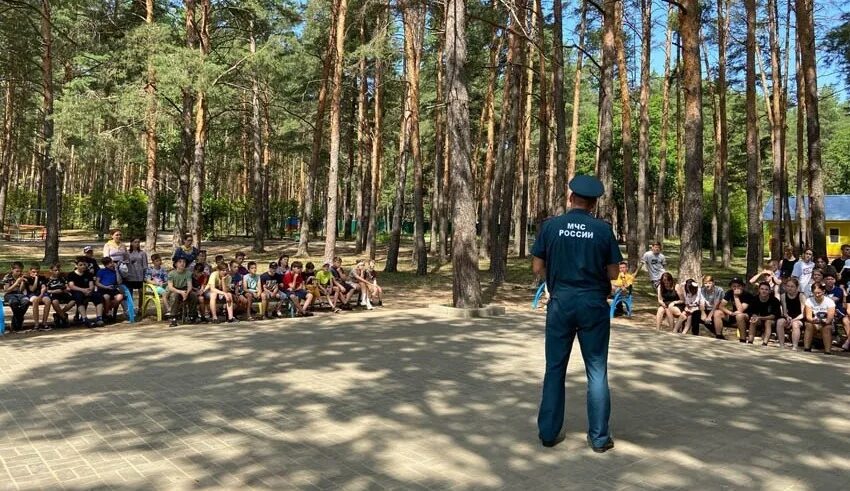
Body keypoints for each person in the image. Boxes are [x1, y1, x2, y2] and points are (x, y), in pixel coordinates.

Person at [531, 175, 620, 453]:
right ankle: (599, 438)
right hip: (593, 304)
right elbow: (615, 273)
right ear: (593, 204)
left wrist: (555, 282)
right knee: (596, 370)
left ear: (570, 199)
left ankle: (548, 433)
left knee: (555, 369)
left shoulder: (551, 226)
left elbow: (537, 267)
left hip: (561, 303)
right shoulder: (603, 230)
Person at [803, 282, 835, 354]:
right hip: (814, 322)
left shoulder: (830, 302)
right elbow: (808, 317)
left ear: (823, 291)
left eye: (819, 293)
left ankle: (827, 351)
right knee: (809, 325)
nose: (817, 295)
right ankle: (807, 348)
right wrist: (813, 320)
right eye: (815, 293)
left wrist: (824, 322)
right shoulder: (809, 301)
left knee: (827, 328)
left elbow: (830, 318)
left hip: (826, 323)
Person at [67, 257, 98, 327]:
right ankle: (85, 319)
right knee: (79, 297)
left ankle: (100, 318)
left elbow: (91, 285)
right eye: (81, 265)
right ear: (76, 265)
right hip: (76, 292)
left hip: (87, 291)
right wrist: (83, 290)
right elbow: (72, 286)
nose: (83, 266)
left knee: (97, 296)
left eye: (84, 264)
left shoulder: (88, 274)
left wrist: (90, 290)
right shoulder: (71, 274)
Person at [166, 257, 197, 327]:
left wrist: (186, 293)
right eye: (180, 262)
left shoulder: (188, 273)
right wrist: (180, 292)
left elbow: (189, 286)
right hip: (175, 289)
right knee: (174, 296)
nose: (182, 263)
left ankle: (192, 315)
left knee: (193, 295)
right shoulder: (171, 274)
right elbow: (170, 287)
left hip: (185, 289)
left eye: (184, 262)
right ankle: (173, 317)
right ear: (176, 264)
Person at [777, 278, 806, 350]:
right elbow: (784, 312)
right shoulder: (783, 296)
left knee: (795, 324)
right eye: (788, 286)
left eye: (792, 286)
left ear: (796, 287)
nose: (790, 288)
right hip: (789, 317)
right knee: (780, 321)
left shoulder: (801, 296)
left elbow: (803, 313)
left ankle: (795, 346)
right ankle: (781, 345)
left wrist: (793, 320)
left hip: (800, 318)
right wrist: (787, 317)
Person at [95, 257, 125, 325]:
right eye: (109, 264)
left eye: (112, 262)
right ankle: (107, 313)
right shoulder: (101, 271)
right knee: (106, 297)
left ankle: (106, 311)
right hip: (103, 289)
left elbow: (119, 282)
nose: (112, 264)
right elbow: (97, 283)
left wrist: (117, 270)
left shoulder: (115, 271)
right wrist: (105, 287)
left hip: (113, 289)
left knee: (120, 296)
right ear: (105, 265)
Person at [3, 262, 31, 332]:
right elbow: (7, 290)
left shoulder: (22, 276)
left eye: (20, 271)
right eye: (17, 271)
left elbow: (21, 290)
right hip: (9, 294)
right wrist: (16, 283)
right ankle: (19, 320)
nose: (19, 273)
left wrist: (22, 282)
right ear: (12, 269)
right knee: (14, 302)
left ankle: (15, 321)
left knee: (26, 301)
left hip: (20, 294)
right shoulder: (8, 277)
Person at [45, 263, 75, 328]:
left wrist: (66, 289)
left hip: (63, 293)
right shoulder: (48, 280)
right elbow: (46, 290)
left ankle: (59, 315)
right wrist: (54, 291)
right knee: (55, 302)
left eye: (58, 270)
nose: (57, 272)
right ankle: (64, 318)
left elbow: (67, 287)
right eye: (55, 270)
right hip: (54, 294)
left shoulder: (62, 278)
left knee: (73, 301)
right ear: (51, 270)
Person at [125, 238, 148, 313]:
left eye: (138, 242)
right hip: (130, 276)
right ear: (131, 243)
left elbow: (145, 266)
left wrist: (145, 276)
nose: (137, 244)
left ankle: (140, 308)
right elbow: (124, 264)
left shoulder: (142, 253)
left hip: (140, 276)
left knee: (141, 292)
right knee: (129, 293)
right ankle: (130, 308)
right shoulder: (127, 253)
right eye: (135, 242)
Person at [25, 264, 50, 331]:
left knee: (48, 300)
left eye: (37, 272)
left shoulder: (42, 278)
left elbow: (44, 288)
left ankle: (44, 322)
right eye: (33, 272)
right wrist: (36, 279)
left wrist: (41, 296)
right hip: (31, 294)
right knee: (35, 300)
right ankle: (36, 323)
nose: (36, 273)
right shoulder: (28, 279)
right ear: (29, 271)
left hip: (41, 294)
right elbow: (32, 289)